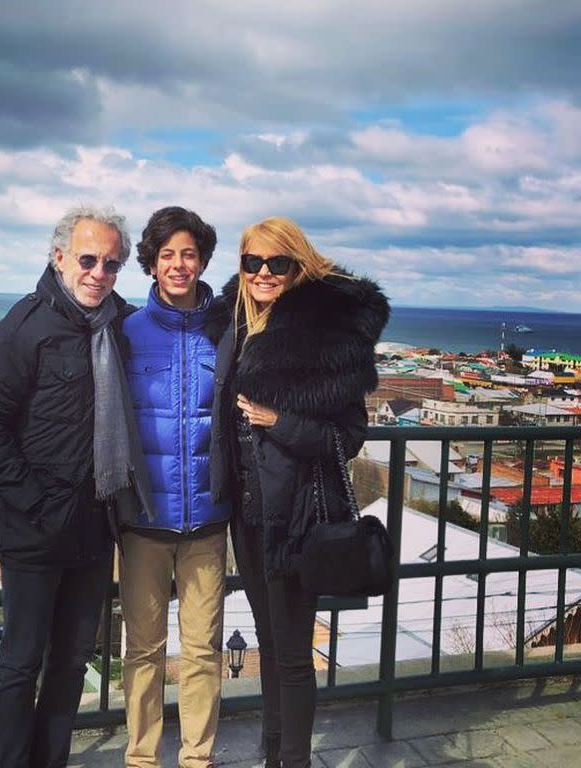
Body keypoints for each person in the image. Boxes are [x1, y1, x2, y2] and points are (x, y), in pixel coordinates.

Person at [0, 205, 152, 768]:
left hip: (93, 528)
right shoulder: (23, 329)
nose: (99, 273)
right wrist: (37, 502)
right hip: (35, 530)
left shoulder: (121, 325)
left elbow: (177, 330)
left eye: (112, 264)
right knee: (21, 663)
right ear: (59, 256)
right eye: (88, 260)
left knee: (70, 661)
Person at [207, 217, 389, 768]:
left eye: (277, 263)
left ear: (299, 265)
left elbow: (348, 436)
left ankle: (292, 762)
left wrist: (279, 420)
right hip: (248, 512)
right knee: (269, 643)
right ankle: (272, 755)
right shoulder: (236, 325)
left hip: (296, 515)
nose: (263, 273)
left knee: (290, 655)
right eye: (252, 262)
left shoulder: (328, 335)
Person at [120, 206, 231, 768]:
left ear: (203, 260)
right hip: (142, 520)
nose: (179, 265)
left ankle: (196, 759)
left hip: (208, 520)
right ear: (152, 263)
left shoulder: (225, 331)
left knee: (203, 650)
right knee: (142, 650)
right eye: (167, 255)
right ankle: (141, 758)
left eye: (188, 254)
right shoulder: (128, 332)